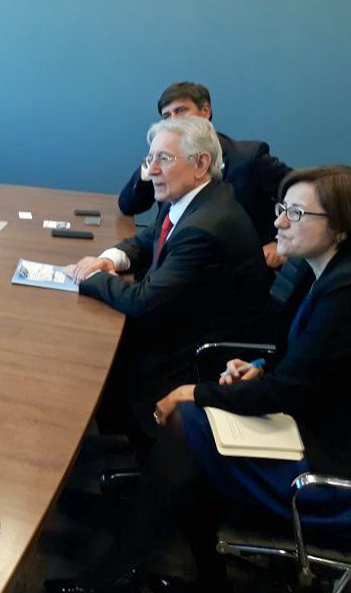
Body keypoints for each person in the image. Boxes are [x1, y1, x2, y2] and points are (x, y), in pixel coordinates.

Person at [47, 165, 351, 593]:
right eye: (282, 208)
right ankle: (189, 579)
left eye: (297, 214)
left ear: (339, 227)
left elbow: (292, 391)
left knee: (187, 425)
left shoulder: (342, 294)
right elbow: (306, 364)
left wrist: (196, 391)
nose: (280, 222)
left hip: (325, 462)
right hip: (304, 420)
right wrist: (259, 367)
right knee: (187, 433)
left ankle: (128, 575)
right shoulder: (319, 272)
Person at [65, 117, 273, 452]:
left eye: (163, 158)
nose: (151, 171)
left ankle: (102, 444)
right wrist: (111, 259)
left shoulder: (205, 226)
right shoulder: (195, 199)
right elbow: (147, 238)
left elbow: (143, 301)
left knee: (84, 349)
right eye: (150, 159)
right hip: (182, 326)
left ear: (201, 164)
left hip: (191, 356)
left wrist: (90, 277)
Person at [118, 81, 291, 268]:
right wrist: (155, 160)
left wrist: (280, 242)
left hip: (232, 267)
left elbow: (303, 195)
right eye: (166, 116)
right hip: (173, 258)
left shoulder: (247, 158)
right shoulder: (162, 160)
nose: (173, 121)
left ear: (206, 112)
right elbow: (128, 206)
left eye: (181, 111)